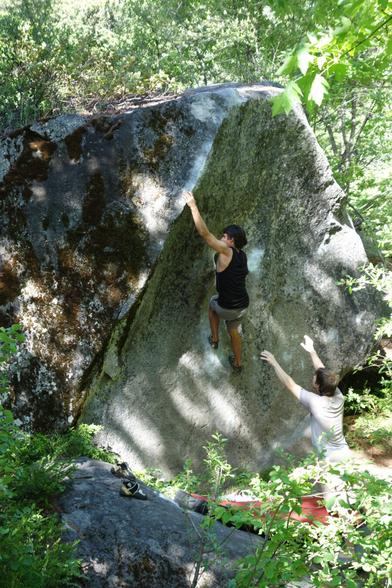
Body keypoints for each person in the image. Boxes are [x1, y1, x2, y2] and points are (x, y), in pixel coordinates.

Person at [261, 336, 353, 507]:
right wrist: (312, 351)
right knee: (348, 500)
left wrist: (274, 362)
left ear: (317, 386)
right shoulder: (338, 395)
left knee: (334, 506)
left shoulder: (315, 402)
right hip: (344, 453)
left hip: (329, 459)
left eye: (314, 379)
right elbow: (323, 371)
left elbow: (290, 384)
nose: (312, 378)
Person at [184, 191, 249, 372]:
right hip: (243, 304)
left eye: (224, 236)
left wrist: (193, 206)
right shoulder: (242, 256)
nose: (221, 238)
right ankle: (238, 363)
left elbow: (205, 234)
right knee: (233, 329)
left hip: (227, 306)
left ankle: (214, 339)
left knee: (213, 306)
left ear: (231, 241)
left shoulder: (226, 251)